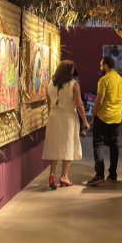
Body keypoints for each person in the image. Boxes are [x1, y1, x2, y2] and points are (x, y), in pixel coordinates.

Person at [42, 60, 90, 189]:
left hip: (53, 117)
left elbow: (48, 103)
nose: (73, 71)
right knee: (68, 144)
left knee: (54, 145)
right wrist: (85, 121)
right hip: (68, 118)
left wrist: (51, 115)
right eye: (72, 69)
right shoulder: (74, 84)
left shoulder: (50, 84)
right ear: (69, 71)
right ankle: (64, 176)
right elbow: (79, 104)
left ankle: (52, 174)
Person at [87, 56, 122, 185]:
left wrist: (93, 115)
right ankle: (113, 175)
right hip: (116, 117)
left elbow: (99, 101)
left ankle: (99, 175)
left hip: (103, 116)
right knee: (114, 145)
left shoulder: (103, 80)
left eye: (101, 65)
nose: (99, 68)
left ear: (105, 66)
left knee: (98, 144)